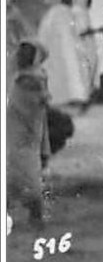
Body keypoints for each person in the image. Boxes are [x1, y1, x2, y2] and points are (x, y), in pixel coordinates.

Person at [7, 40, 53, 228]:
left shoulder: (26, 79)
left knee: (20, 175)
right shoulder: (29, 79)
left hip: (22, 134)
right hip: (23, 135)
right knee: (28, 177)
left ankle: (34, 216)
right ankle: (36, 218)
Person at [36, 0, 89, 110]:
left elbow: (68, 32)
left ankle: (71, 99)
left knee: (66, 73)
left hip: (62, 51)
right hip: (52, 51)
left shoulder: (62, 12)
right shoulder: (50, 14)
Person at [70, 0, 103, 105]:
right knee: (85, 72)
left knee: (89, 71)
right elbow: (82, 31)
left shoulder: (83, 12)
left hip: (87, 46)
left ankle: (85, 97)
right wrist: (97, 30)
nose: (90, 2)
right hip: (82, 46)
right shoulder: (77, 12)